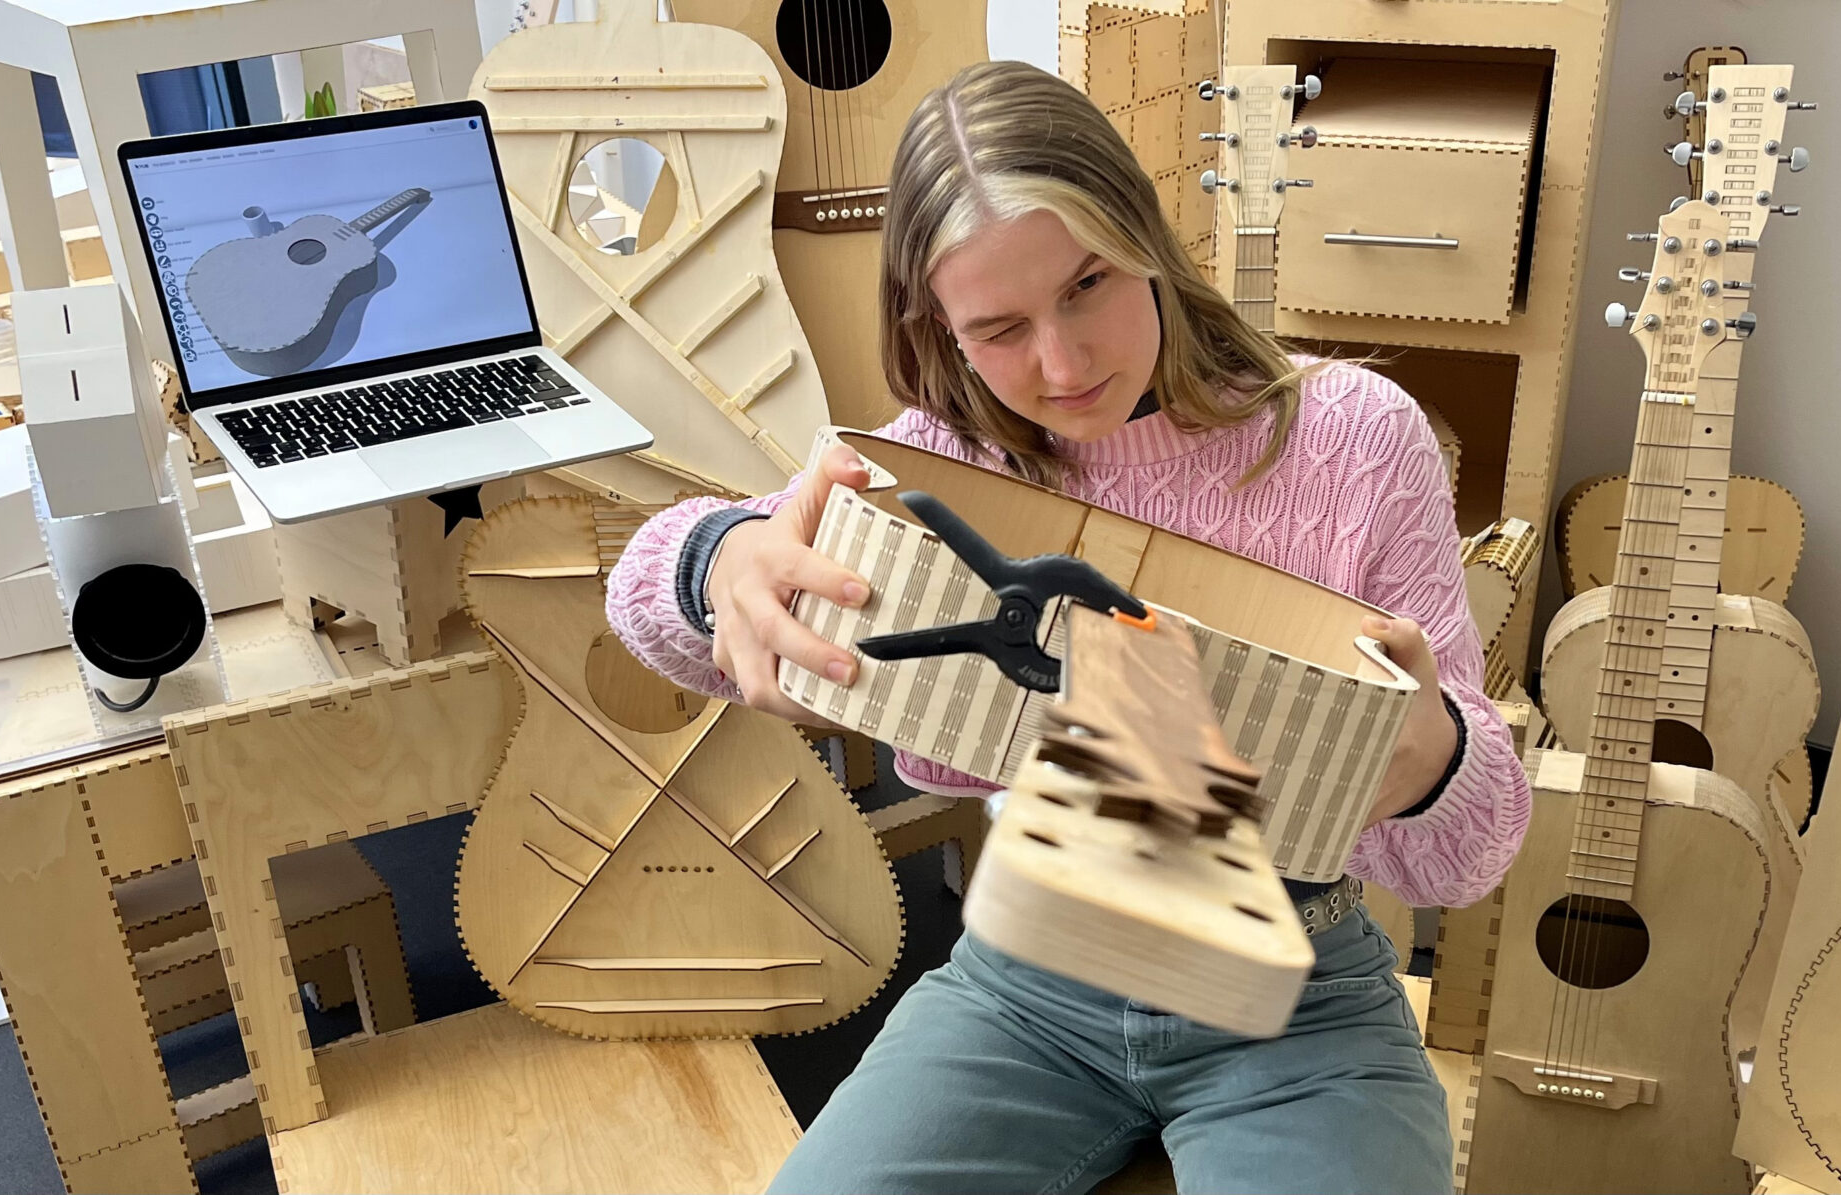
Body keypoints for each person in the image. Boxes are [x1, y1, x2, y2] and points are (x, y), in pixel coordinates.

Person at [608, 59, 1529, 1195]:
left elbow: (1473, 848)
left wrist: (1435, 757)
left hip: (1297, 1000)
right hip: (1028, 981)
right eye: (996, 327)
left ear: (1142, 233)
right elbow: (645, 584)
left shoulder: (1350, 438)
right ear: (935, 325)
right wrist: (719, 562)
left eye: (1087, 285)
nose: (1062, 363)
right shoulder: (937, 461)